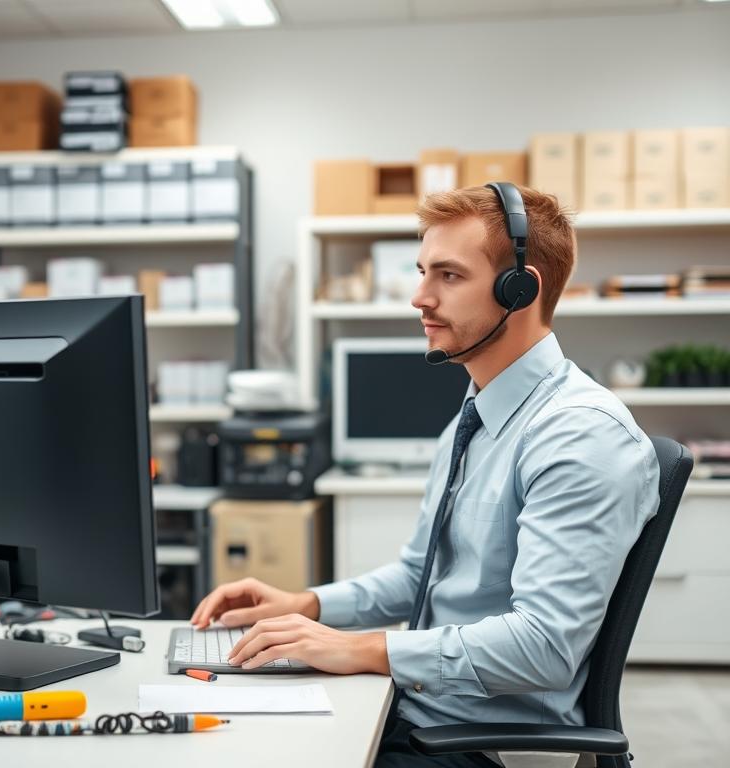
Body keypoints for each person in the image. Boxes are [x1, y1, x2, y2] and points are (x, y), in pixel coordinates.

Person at [190, 184, 660, 767]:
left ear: (521, 289)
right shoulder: (475, 417)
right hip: (417, 707)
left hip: (481, 746)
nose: (419, 297)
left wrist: (360, 649)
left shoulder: (580, 435)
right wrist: (307, 605)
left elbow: (543, 648)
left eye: (449, 276)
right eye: (421, 273)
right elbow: (421, 575)